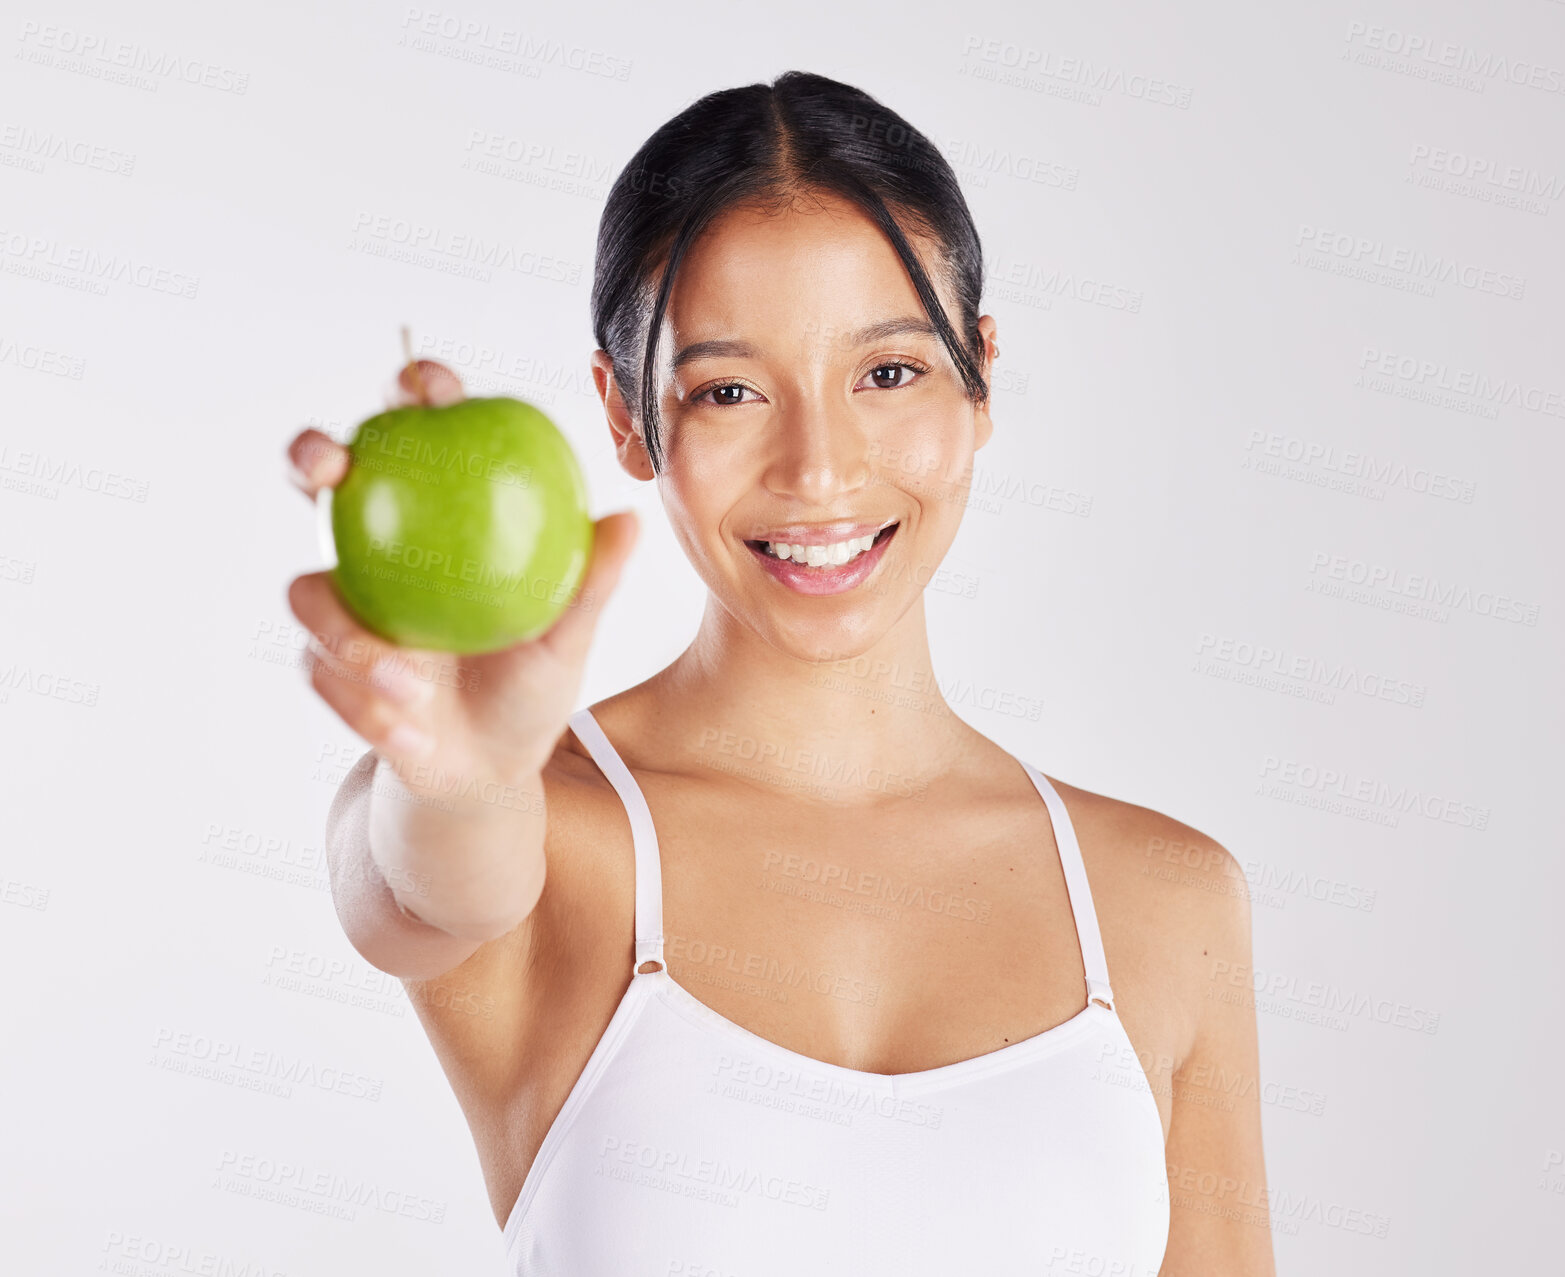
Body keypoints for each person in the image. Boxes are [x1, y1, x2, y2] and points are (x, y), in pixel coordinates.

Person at [285, 70, 1274, 1275]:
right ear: (625, 415)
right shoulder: (548, 838)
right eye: (730, 390)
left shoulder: (1165, 900)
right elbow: (426, 887)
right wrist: (459, 777)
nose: (818, 470)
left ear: (980, 378)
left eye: (889, 372)